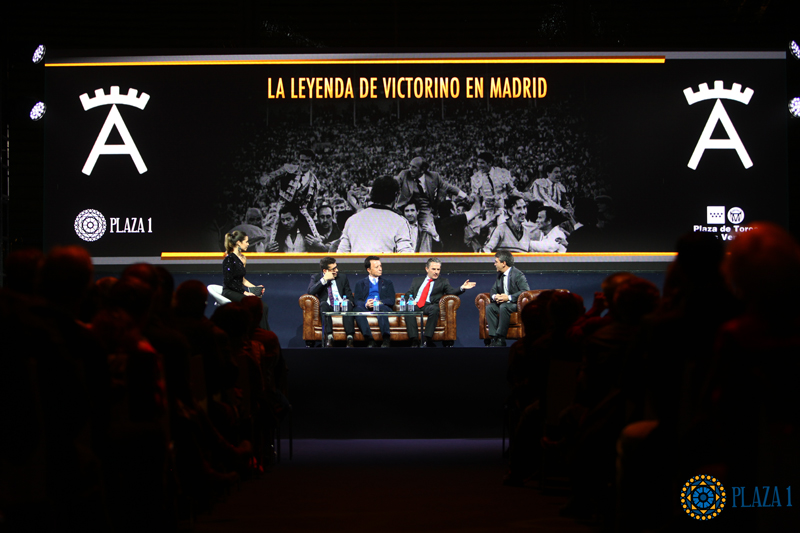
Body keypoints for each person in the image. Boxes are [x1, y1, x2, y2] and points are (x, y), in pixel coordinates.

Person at [395, 157, 468, 252]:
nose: (410, 169)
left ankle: (424, 254)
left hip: (425, 207)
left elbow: (447, 186)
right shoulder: (404, 174)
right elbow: (393, 183)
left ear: (422, 170)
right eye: (410, 166)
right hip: (405, 206)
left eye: (414, 167)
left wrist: (465, 196)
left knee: (428, 227)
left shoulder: (434, 176)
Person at [404, 257, 476, 347]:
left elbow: (451, 292)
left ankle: (427, 339)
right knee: (408, 309)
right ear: (427, 269)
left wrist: (462, 288)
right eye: (433, 269)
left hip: (429, 305)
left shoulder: (443, 282)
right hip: (416, 304)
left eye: (438, 269)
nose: (436, 272)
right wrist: (411, 301)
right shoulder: (417, 280)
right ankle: (414, 340)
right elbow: (408, 294)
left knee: (434, 309)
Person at [337, 176, 414, 253]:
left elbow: (341, 255)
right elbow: (406, 255)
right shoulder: (400, 222)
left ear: (372, 194)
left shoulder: (352, 220)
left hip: (358, 264)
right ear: (396, 196)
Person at [259, 148, 321, 243]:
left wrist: (309, 217)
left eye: (307, 161)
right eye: (302, 160)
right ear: (298, 160)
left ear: (312, 161)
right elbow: (268, 180)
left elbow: (312, 206)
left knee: (313, 239)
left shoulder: (315, 182)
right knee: (274, 240)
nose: (304, 164)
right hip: (283, 209)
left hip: (301, 211)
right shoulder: (288, 170)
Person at [221, 230, 269, 330]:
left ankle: (262, 333)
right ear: (238, 242)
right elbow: (229, 281)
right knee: (258, 306)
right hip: (230, 291)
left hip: (239, 290)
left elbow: (242, 280)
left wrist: (255, 288)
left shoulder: (243, 258)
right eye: (246, 242)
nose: (248, 244)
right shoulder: (228, 259)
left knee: (264, 306)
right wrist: (245, 293)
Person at [306, 256, 356, 347]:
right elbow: (310, 292)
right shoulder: (316, 277)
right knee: (323, 304)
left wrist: (348, 301)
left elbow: (349, 294)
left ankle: (350, 338)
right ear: (325, 271)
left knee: (348, 303)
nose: (336, 270)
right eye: (333, 269)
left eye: (336, 267)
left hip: (342, 306)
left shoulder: (342, 277)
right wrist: (324, 280)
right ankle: (329, 337)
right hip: (328, 306)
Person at [486, 251, 530, 346]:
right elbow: (493, 290)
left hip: (516, 305)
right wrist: (495, 296)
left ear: (504, 263)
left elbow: (525, 291)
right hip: (504, 304)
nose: (494, 264)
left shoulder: (517, 274)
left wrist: (508, 297)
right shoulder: (500, 275)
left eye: (496, 262)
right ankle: (494, 338)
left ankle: (501, 337)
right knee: (490, 307)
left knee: (504, 307)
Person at [352, 256, 396, 347]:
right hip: (366, 308)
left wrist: (379, 302)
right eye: (377, 267)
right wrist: (366, 304)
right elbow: (357, 300)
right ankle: (370, 340)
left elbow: (391, 300)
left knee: (379, 308)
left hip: (381, 307)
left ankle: (386, 339)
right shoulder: (360, 283)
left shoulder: (388, 283)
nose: (380, 269)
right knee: (357, 310)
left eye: (380, 266)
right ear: (369, 270)